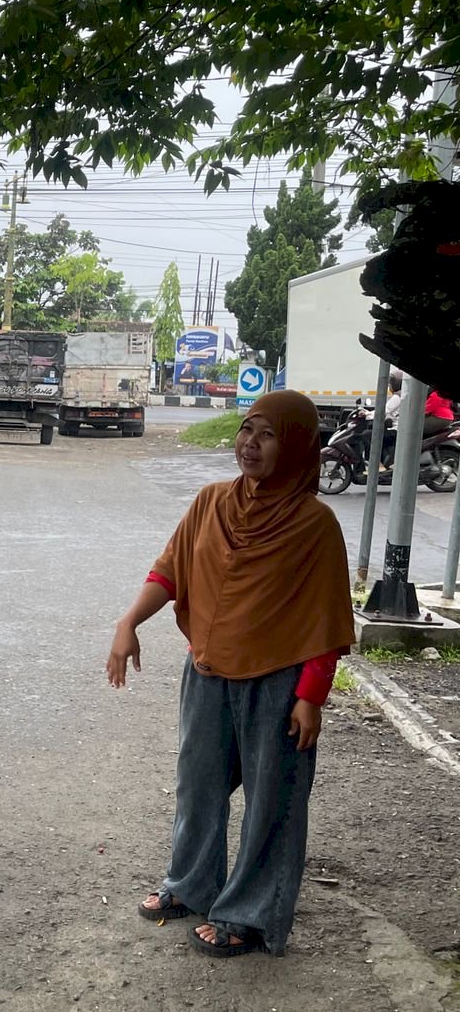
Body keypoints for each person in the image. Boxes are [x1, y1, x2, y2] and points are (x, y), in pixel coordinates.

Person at [105, 391, 354, 958]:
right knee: (199, 786)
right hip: (209, 672)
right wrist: (129, 622)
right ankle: (191, 885)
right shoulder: (211, 502)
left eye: (267, 435)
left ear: (293, 446)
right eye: (247, 430)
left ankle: (251, 912)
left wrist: (311, 695)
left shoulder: (315, 525)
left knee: (273, 801)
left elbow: (327, 616)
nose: (250, 444)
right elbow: (170, 571)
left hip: (279, 683)